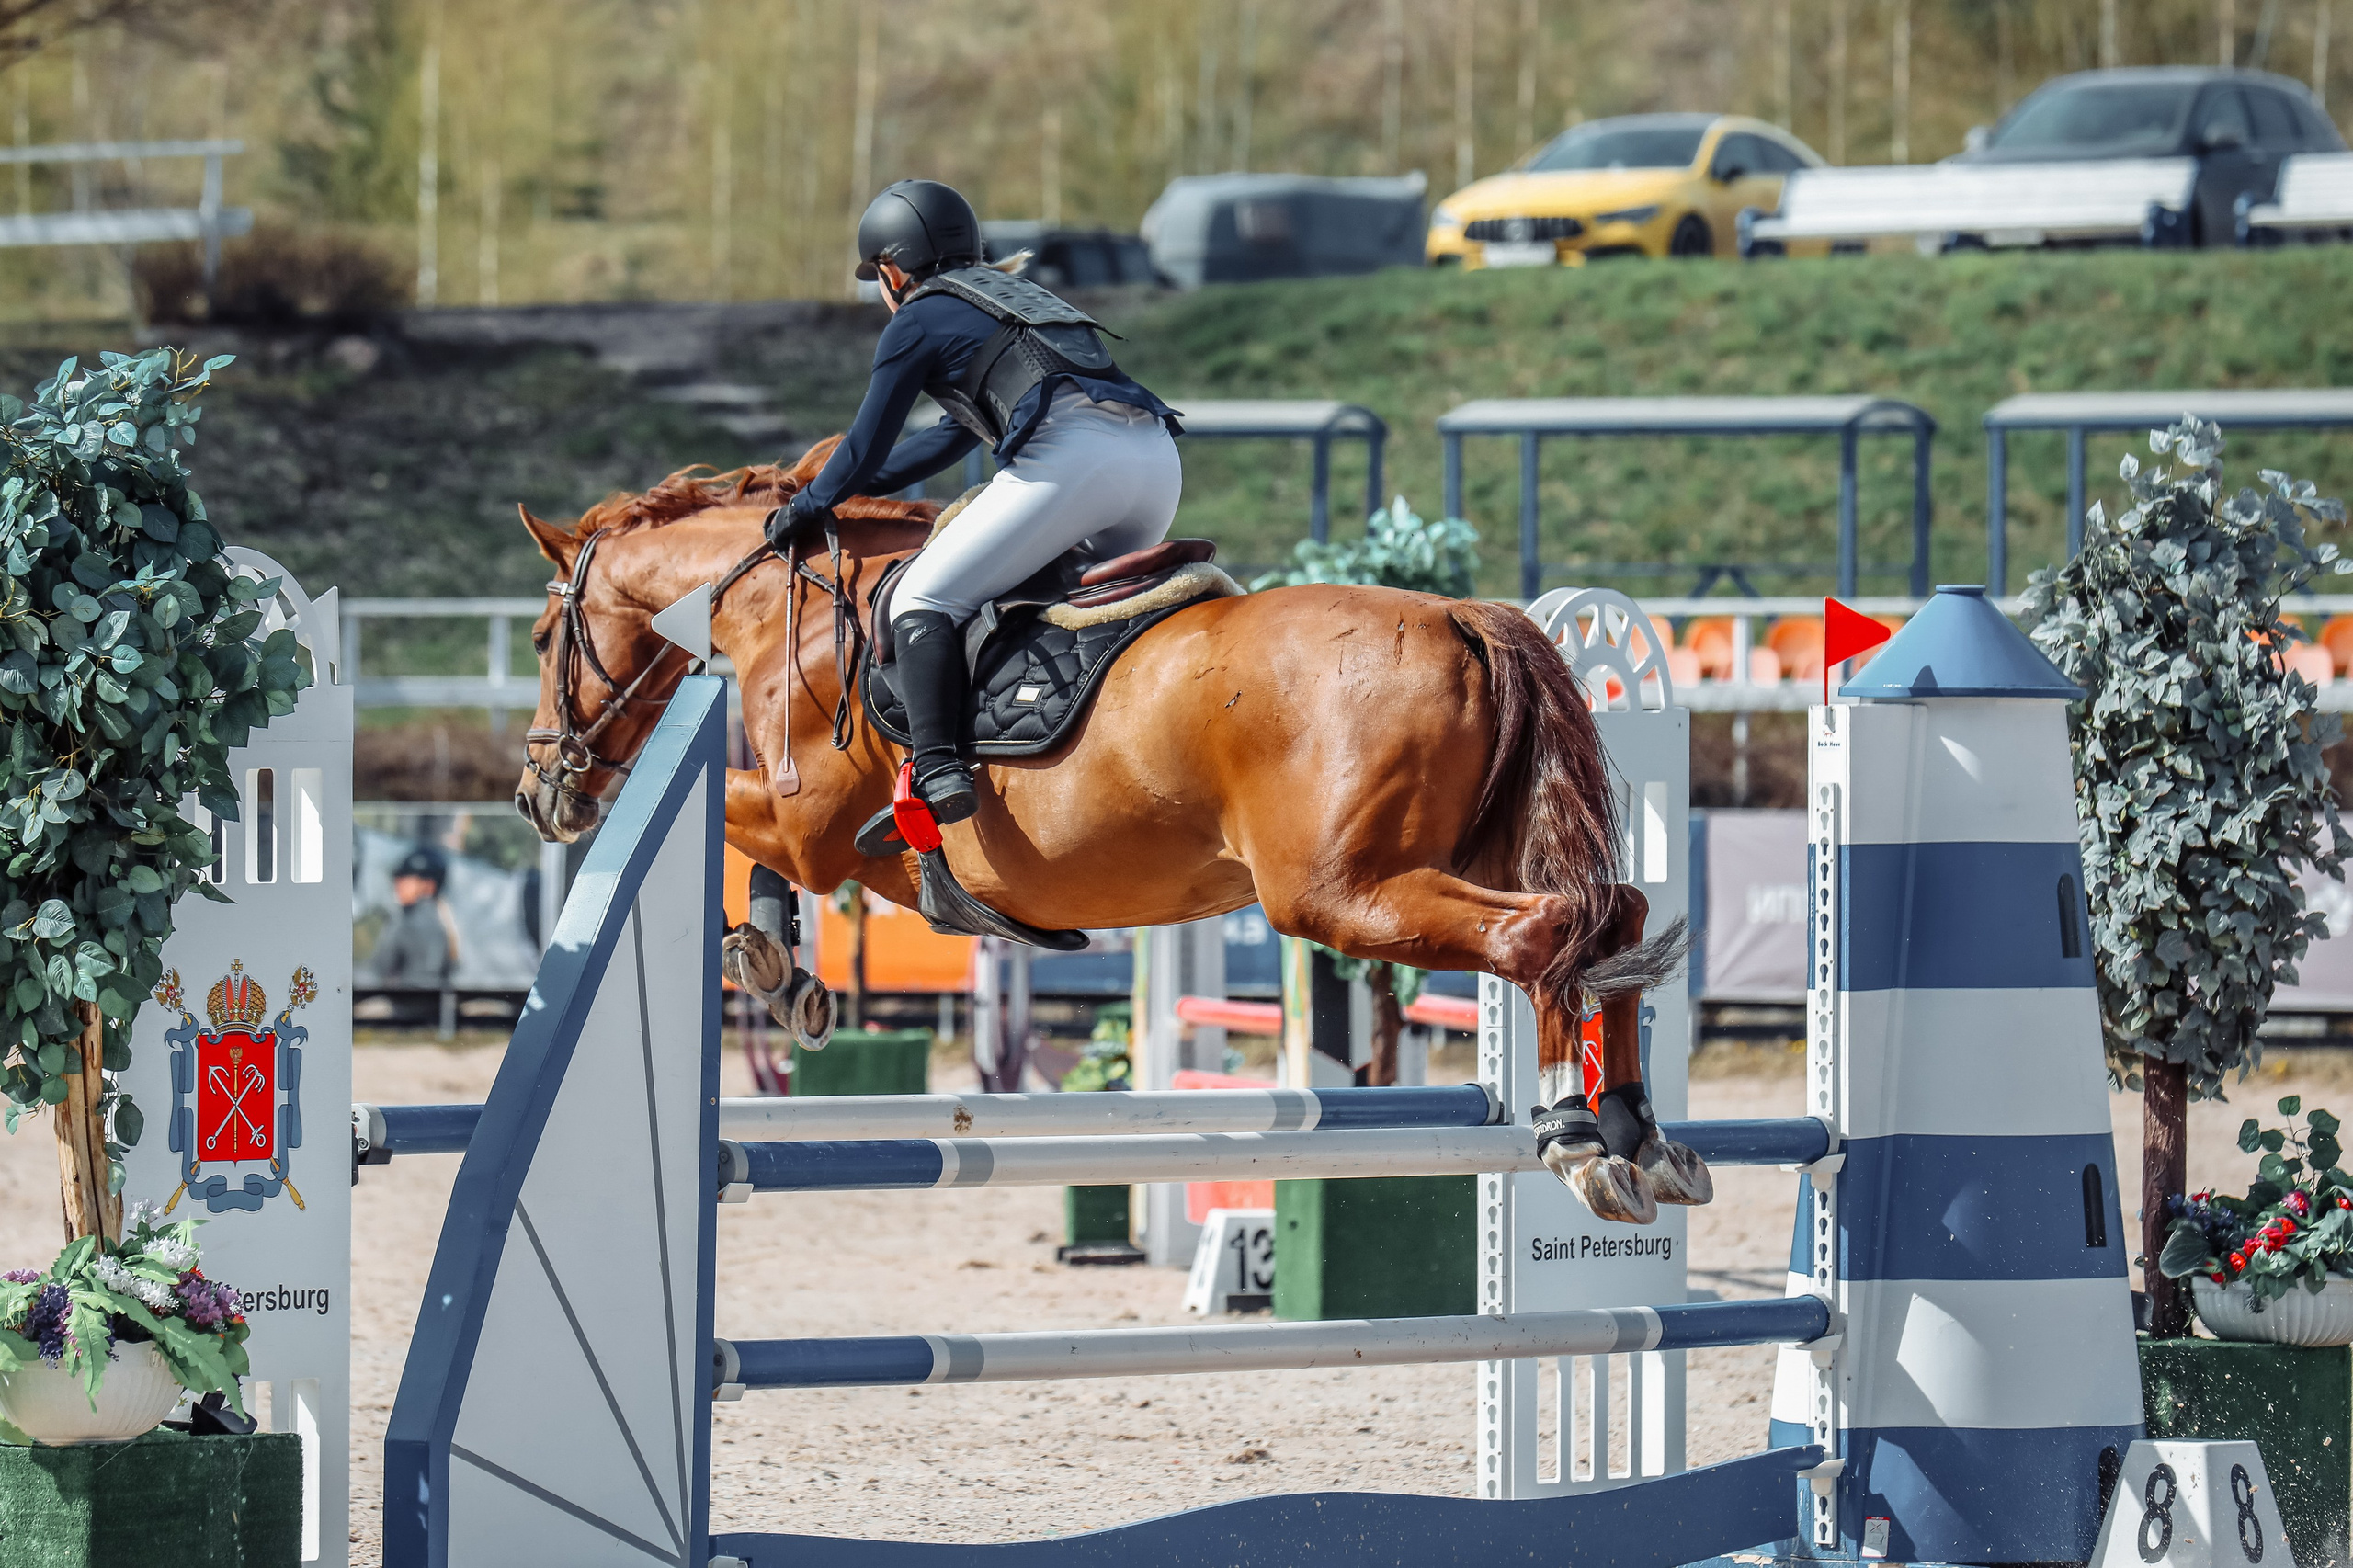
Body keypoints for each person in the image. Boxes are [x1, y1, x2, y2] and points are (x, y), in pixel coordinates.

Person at [768, 178, 1184, 826]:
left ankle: (937, 769)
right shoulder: (1013, 300)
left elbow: (866, 441)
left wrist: (811, 501)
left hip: (1073, 465)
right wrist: (862, 487)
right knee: (1050, 604)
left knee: (921, 599)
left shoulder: (918, 317)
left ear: (892, 268)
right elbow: (947, 436)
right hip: (1155, 461)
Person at [372, 846, 460, 992]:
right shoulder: (446, 920)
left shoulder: (408, 918)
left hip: (408, 1005)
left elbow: (379, 970)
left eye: (405, 878)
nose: (397, 884)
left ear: (428, 885)